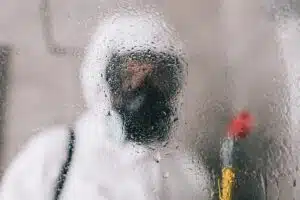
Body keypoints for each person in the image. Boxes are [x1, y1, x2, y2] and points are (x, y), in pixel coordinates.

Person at [0, 12, 211, 200]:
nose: (144, 92)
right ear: (100, 79)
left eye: (158, 77)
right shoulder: (56, 155)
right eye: (129, 76)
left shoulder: (186, 172)